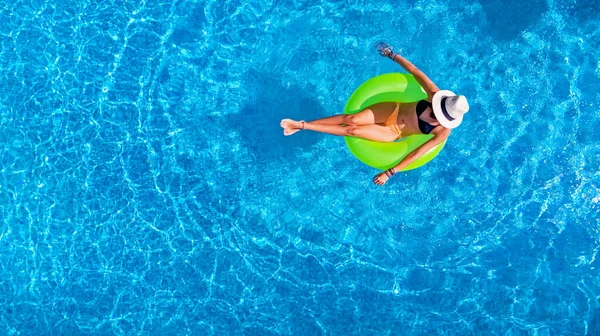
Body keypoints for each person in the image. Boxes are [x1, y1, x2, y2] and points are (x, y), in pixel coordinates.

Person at [280, 42, 469, 186]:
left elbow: (418, 152)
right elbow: (415, 71)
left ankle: (303, 127)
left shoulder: (443, 131)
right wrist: (391, 54)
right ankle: (302, 124)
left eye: (439, 116)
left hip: (393, 132)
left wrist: (390, 172)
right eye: (436, 110)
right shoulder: (434, 94)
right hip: (393, 109)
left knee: (352, 131)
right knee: (351, 119)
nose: (435, 114)